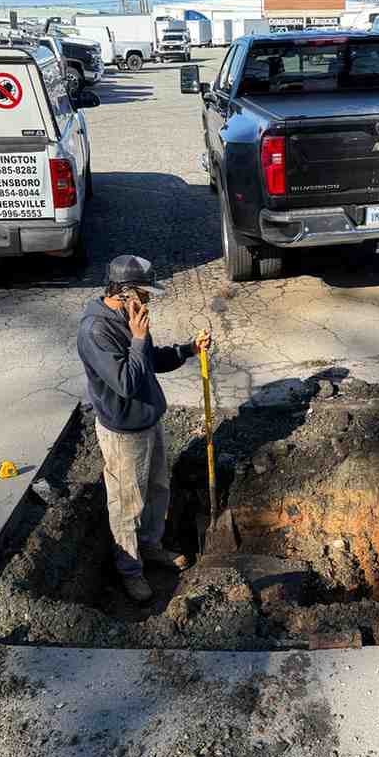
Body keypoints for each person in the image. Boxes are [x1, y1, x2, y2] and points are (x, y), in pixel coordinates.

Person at [77, 255, 211, 603]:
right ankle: (129, 570)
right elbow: (126, 382)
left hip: (148, 421)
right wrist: (138, 338)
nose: (150, 299)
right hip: (123, 433)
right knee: (127, 504)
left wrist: (187, 350)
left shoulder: (128, 316)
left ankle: (151, 546)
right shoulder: (96, 330)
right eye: (145, 293)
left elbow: (148, 362)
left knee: (156, 491)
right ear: (124, 292)